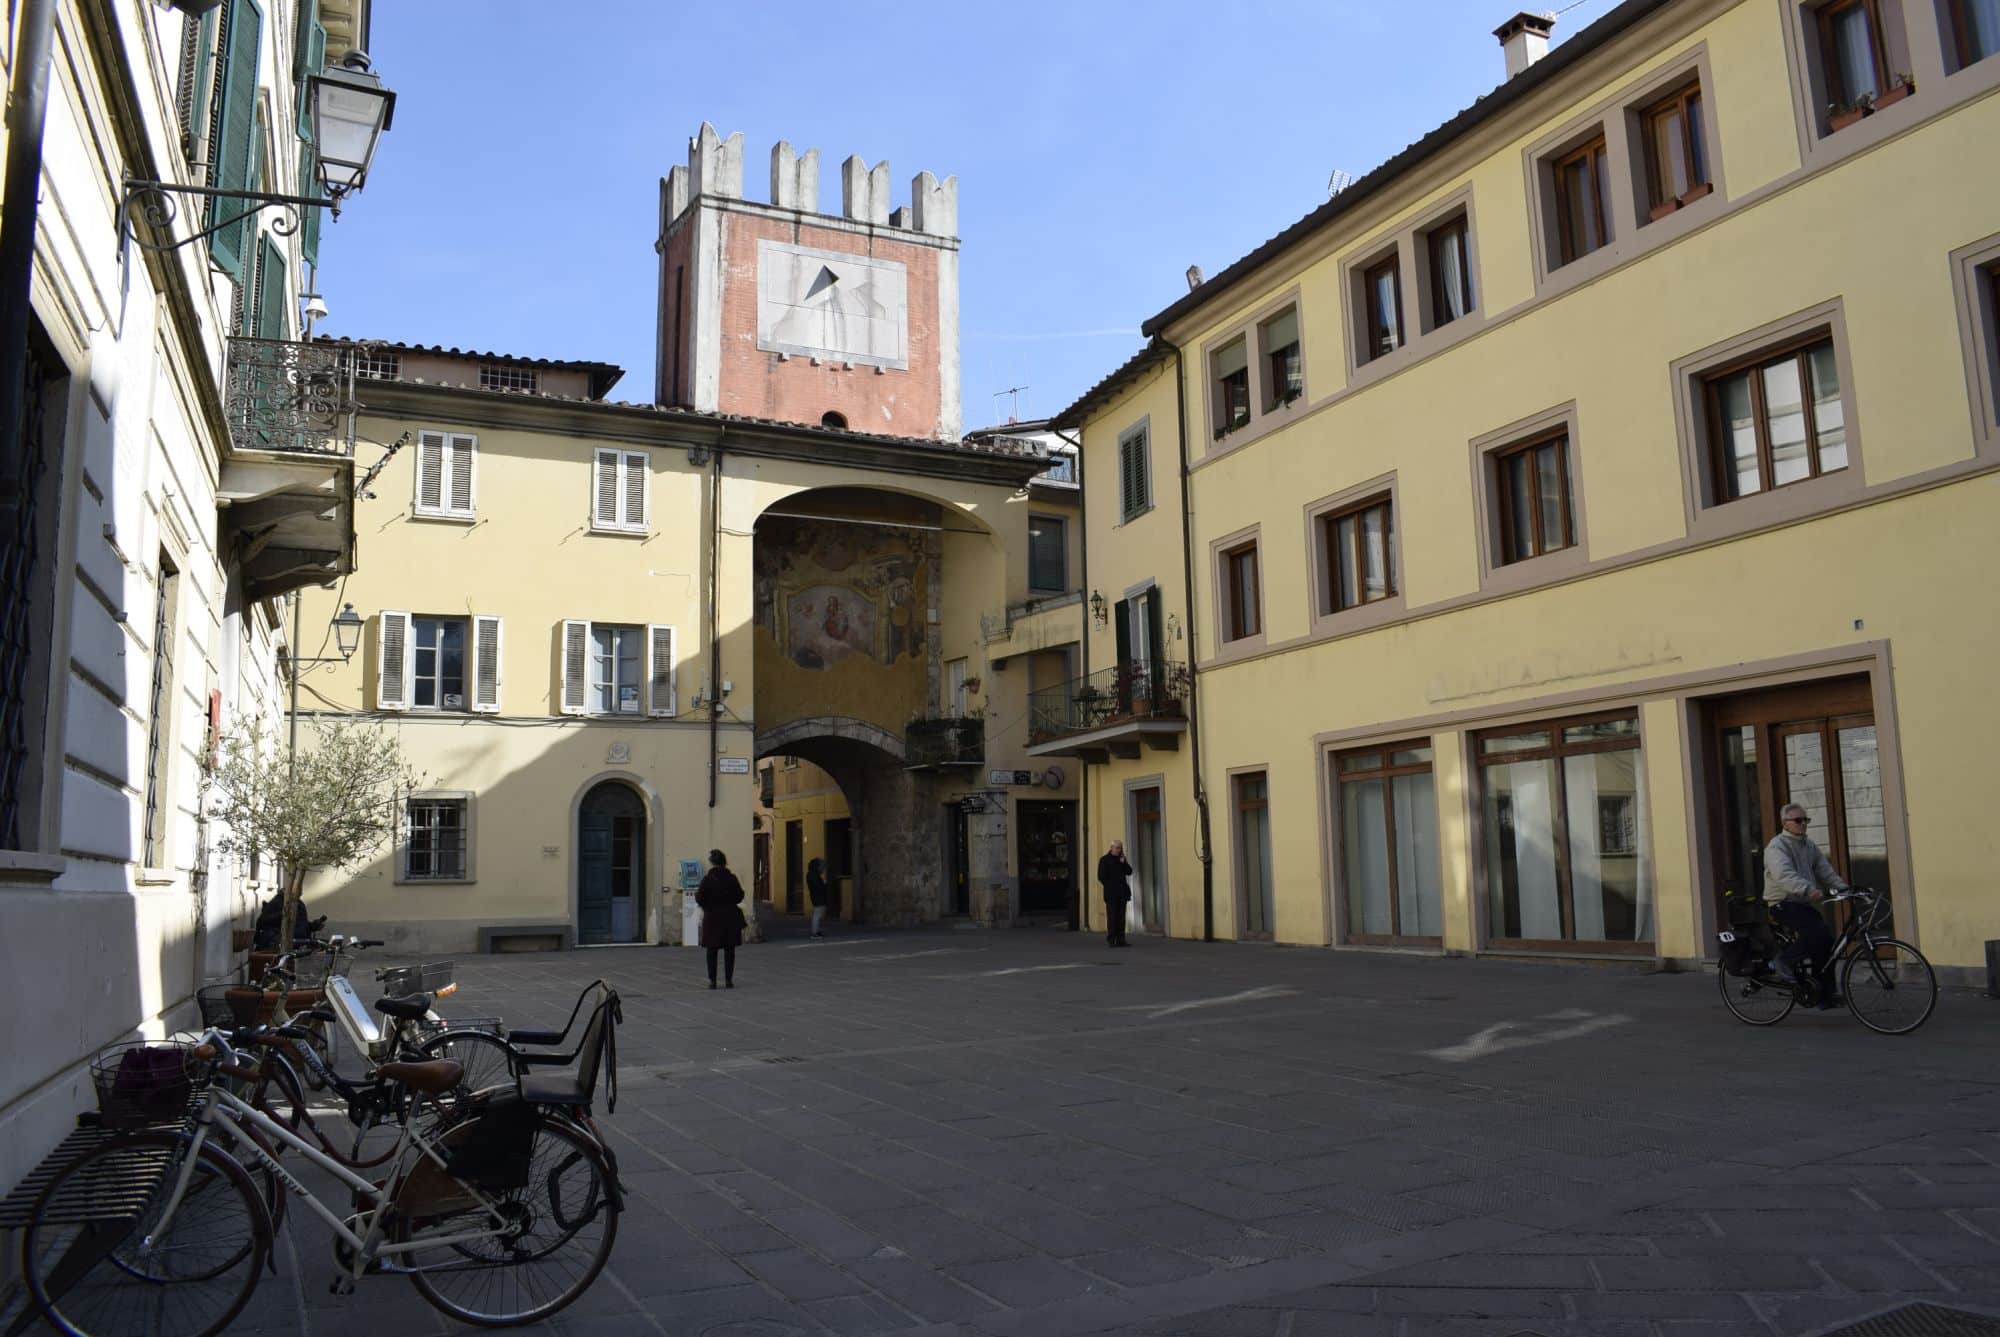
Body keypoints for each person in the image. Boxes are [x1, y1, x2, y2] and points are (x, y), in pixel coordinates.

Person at [1763, 803, 1848, 1008]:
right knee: (1816, 933)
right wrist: (1808, 889)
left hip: (1802, 902)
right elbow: (1783, 874)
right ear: (1785, 823)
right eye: (1798, 820)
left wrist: (1845, 889)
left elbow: (1824, 869)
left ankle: (1823, 995)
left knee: (1826, 941)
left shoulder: (1808, 845)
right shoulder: (1777, 846)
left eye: (1805, 820)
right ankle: (1783, 961)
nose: (1803, 824)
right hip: (1782, 903)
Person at [696, 848, 746, 989]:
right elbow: (739, 896)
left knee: (712, 950)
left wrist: (708, 905)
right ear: (724, 862)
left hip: (712, 918)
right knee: (729, 950)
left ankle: (713, 981)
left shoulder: (707, 879)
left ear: (712, 863)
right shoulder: (732, 878)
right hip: (730, 917)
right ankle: (728, 980)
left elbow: (700, 898)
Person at [1097, 840, 1133, 948]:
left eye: (1120, 848)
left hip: (1122, 893)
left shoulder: (1121, 860)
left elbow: (1129, 871)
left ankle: (1121, 939)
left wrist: (1124, 863)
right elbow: (1101, 876)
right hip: (1111, 893)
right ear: (1111, 848)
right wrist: (1110, 886)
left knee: (1121, 917)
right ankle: (1111, 939)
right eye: (1116, 848)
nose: (1118, 850)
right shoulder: (1104, 860)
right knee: (1112, 916)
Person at [806, 857, 830, 938]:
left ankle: (816, 931)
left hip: (817, 896)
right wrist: (824, 885)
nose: (823, 869)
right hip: (817, 896)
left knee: (818, 914)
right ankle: (815, 932)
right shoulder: (813, 875)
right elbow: (818, 886)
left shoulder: (812, 874)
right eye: (822, 867)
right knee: (817, 915)